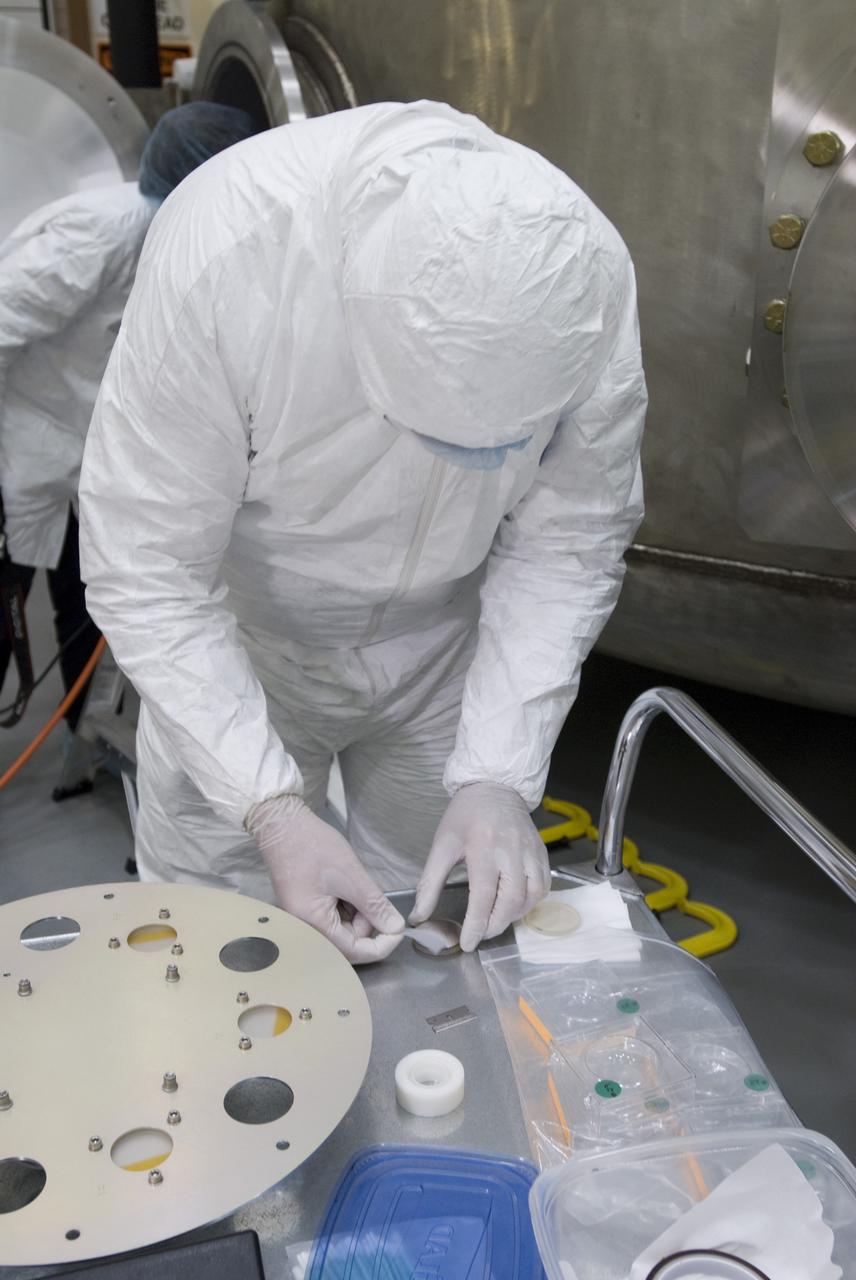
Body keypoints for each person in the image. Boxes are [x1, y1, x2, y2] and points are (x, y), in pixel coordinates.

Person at [79, 100, 647, 962]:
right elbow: (147, 569)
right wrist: (267, 807)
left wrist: (498, 769)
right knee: (218, 947)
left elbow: (567, 544)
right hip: (245, 650)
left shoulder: (580, 279)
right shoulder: (229, 253)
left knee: (436, 928)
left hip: (439, 656)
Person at [0, 103, 259, 742]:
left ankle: (77, 731)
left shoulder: (190, 233)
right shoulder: (102, 233)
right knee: (3, 609)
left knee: (85, 598)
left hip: (86, 450)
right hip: (23, 441)